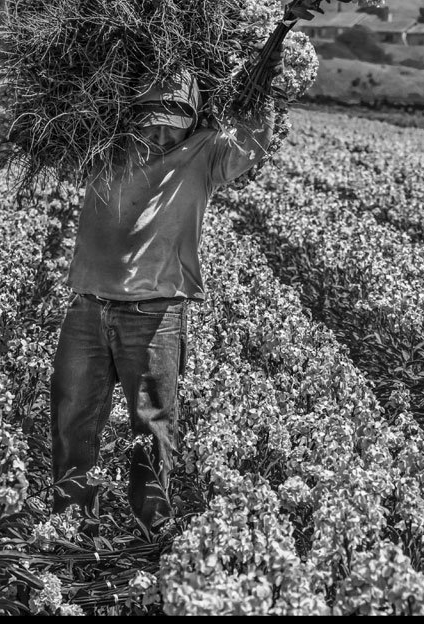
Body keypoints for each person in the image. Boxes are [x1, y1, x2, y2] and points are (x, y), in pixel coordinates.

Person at [50, 64, 280, 534]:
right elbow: (51, 126)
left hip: (154, 312)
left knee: (153, 424)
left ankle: (150, 526)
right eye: (150, 120)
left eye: (171, 121)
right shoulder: (103, 147)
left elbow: (254, 139)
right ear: (132, 115)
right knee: (71, 417)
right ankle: (70, 522)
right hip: (88, 306)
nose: (158, 132)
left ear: (192, 120)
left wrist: (269, 70)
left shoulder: (205, 155)